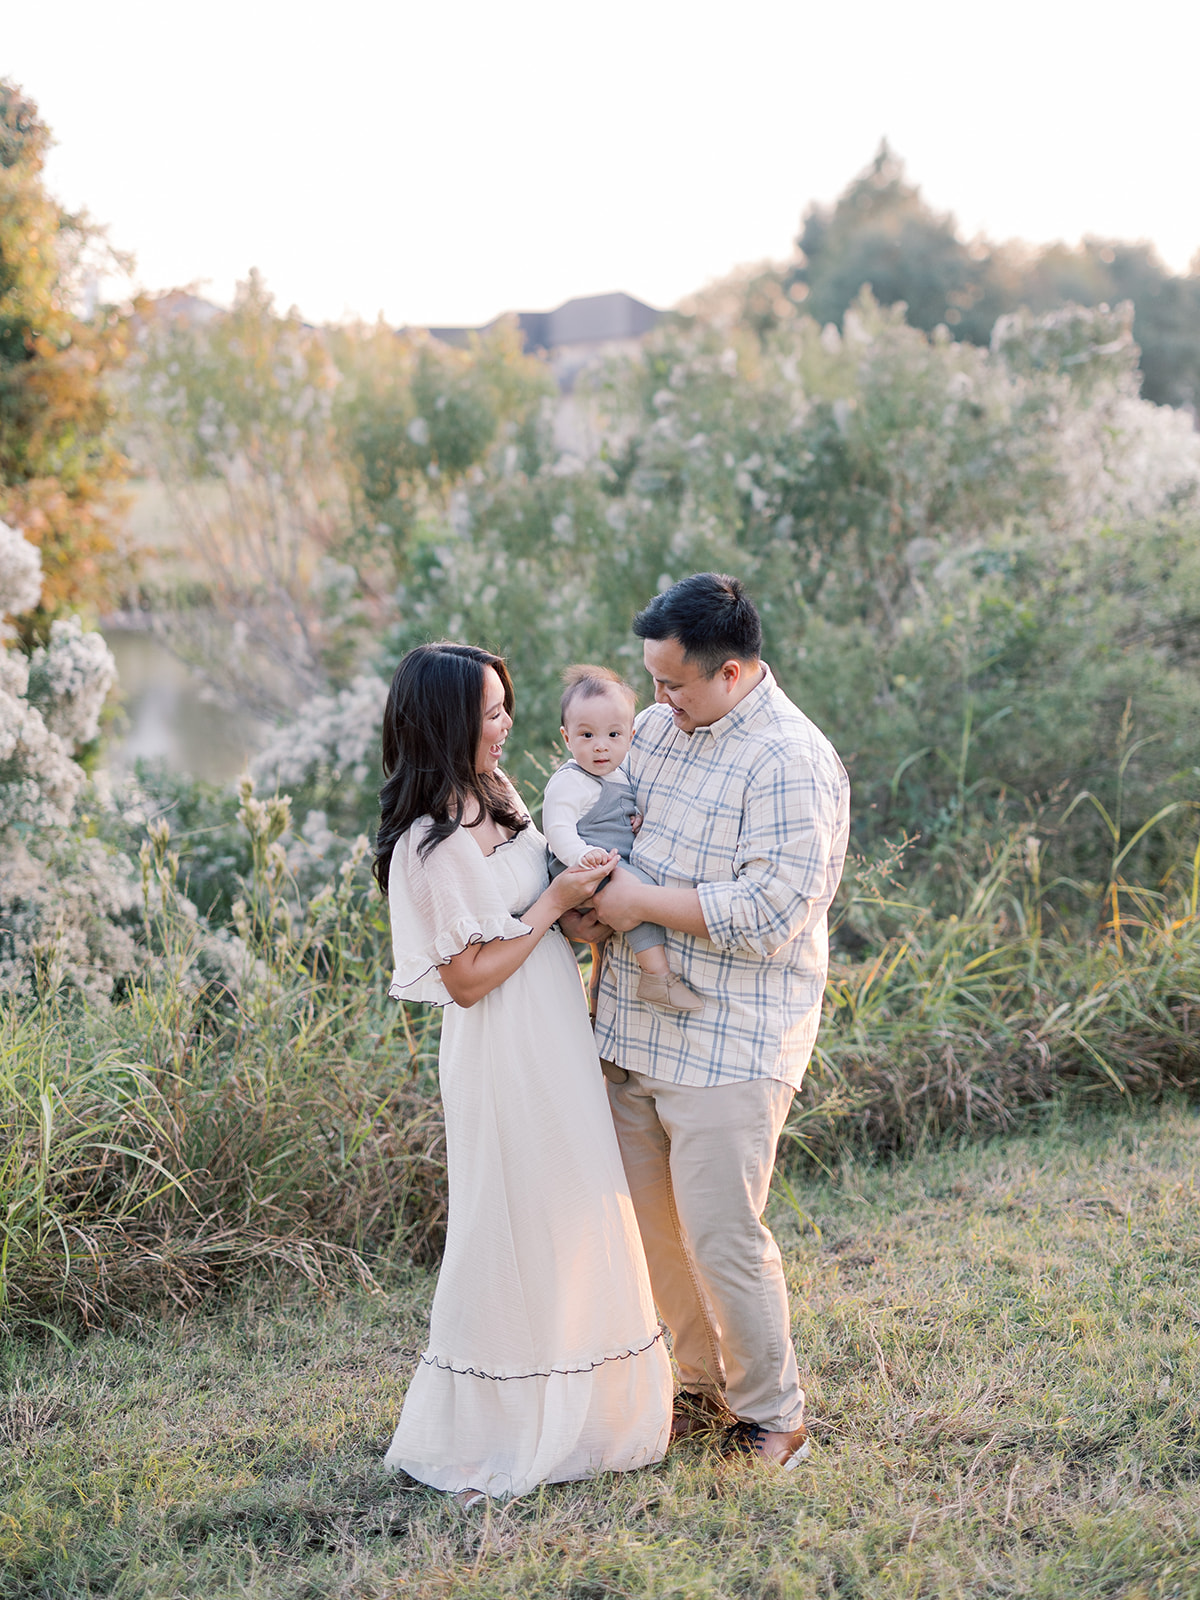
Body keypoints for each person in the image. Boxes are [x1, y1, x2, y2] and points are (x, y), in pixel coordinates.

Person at [563, 574, 850, 1471]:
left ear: (731, 672)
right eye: (651, 680)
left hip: (733, 1039)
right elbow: (609, 827)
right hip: (630, 1029)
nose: (654, 701)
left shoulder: (789, 761)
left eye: (673, 684)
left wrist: (637, 899)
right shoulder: (654, 730)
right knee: (654, 1231)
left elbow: (772, 913)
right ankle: (695, 1388)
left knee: (724, 1235)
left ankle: (775, 1416)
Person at [375, 641, 672, 1504]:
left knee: (573, 1207)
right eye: (491, 713)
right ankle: (491, 1430)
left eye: (507, 707)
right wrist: (547, 905)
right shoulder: (427, 844)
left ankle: (587, 1416)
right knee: (505, 1220)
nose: (506, 726)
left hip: (553, 1026)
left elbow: (545, 921)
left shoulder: (498, 799)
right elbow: (466, 979)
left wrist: (586, 896)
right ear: (445, 723)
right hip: (501, 1046)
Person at [543, 664, 701, 1013]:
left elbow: (620, 808)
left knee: (619, 926)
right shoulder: (570, 781)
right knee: (642, 894)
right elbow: (557, 830)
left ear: (630, 735)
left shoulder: (619, 775)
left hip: (606, 866)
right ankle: (658, 976)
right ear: (566, 738)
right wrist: (582, 856)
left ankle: (598, 1013)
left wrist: (635, 817)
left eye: (613, 736)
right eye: (587, 736)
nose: (601, 747)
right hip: (580, 870)